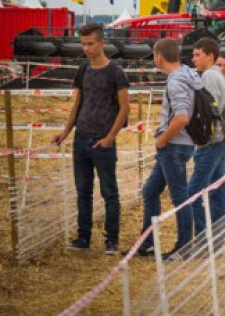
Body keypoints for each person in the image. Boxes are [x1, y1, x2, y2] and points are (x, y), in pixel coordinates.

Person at [53, 24, 129, 255]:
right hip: (81, 139)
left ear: (101, 43)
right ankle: (83, 238)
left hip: (102, 141)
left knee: (109, 192)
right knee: (83, 191)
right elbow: (78, 104)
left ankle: (112, 241)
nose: (86, 48)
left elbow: (124, 109)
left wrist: (109, 138)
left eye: (90, 44)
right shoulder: (83, 70)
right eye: (83, 44)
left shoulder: (116, 72)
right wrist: (66, 131)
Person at [129, 38, 200, 258]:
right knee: (150, 191)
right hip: (181, 144)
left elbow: (181, 117)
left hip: (174, 145)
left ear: (159, 56)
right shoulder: (188, 74)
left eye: (154, 55)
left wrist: (163, 139)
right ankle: (147, 242)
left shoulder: (176, 81)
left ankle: (185, 246)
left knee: (179, 196)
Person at [185, 38, 225, 247]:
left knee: (194, 191)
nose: (193, 59)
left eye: (197, 55)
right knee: (217, 189)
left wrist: (199, 135)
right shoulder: (216, 75)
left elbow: (208, 112)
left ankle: (203, 241)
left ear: (210, 57)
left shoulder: (210, 76)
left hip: (210, 142)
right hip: (218, 140)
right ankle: (218, 239)